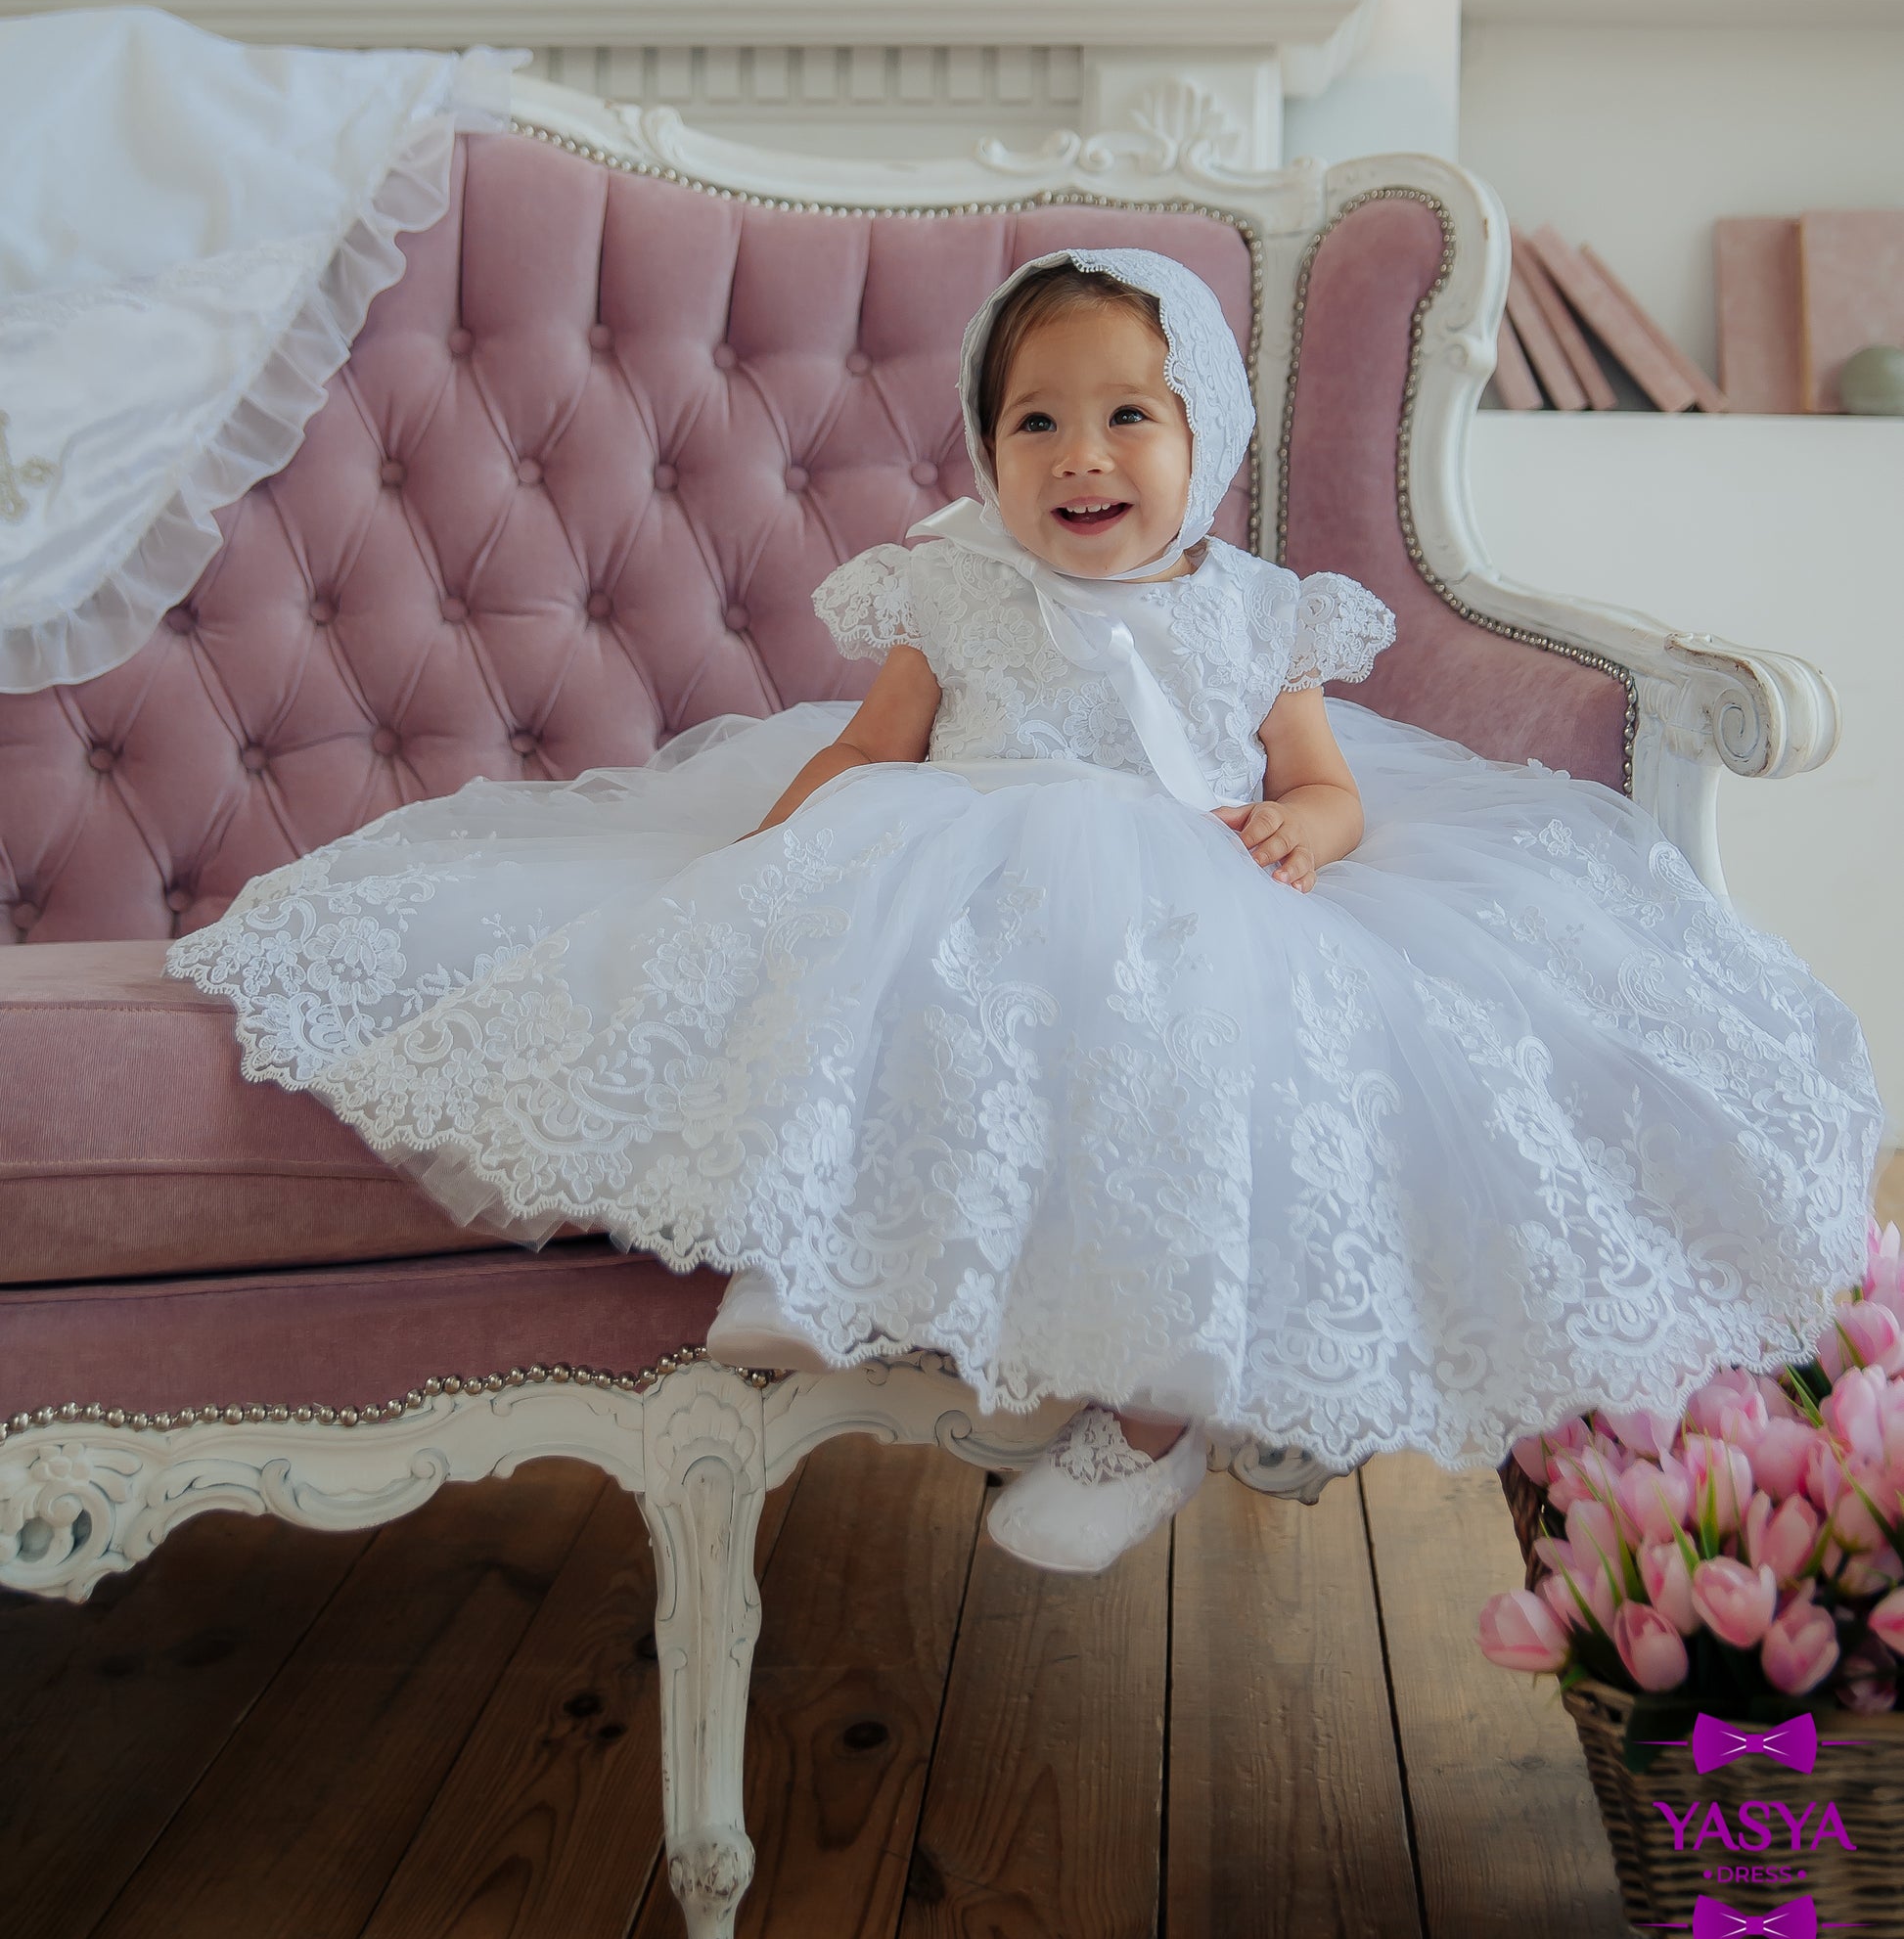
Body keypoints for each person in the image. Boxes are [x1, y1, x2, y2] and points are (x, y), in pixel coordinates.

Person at [167, 248, 1884, 1578]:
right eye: (1033, 422)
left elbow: (1330, 783)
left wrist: (1301, 824)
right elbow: (866, 749)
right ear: (985, 454)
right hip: (952, 859)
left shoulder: (1251, 613)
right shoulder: (954, 592)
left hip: (1192, 884)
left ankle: (1149, 1412)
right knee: (846, 972)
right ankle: (832, 1255)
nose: (1080, 457)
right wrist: (775, 851)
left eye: (1126, 416)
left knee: (1199, 1061)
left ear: (1201, 439)